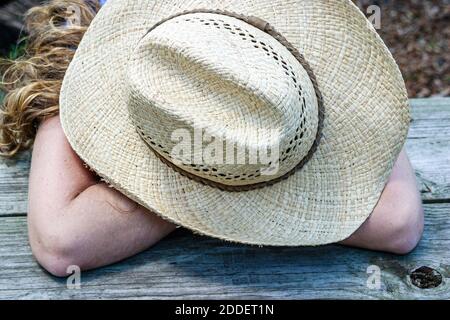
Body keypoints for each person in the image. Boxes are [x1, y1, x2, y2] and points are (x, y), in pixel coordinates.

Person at [0, 0, 424, 277]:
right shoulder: (81, 52)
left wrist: (210, 165)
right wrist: (233, 177)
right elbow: (61, 243)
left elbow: (399, 224)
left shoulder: (278, 65)